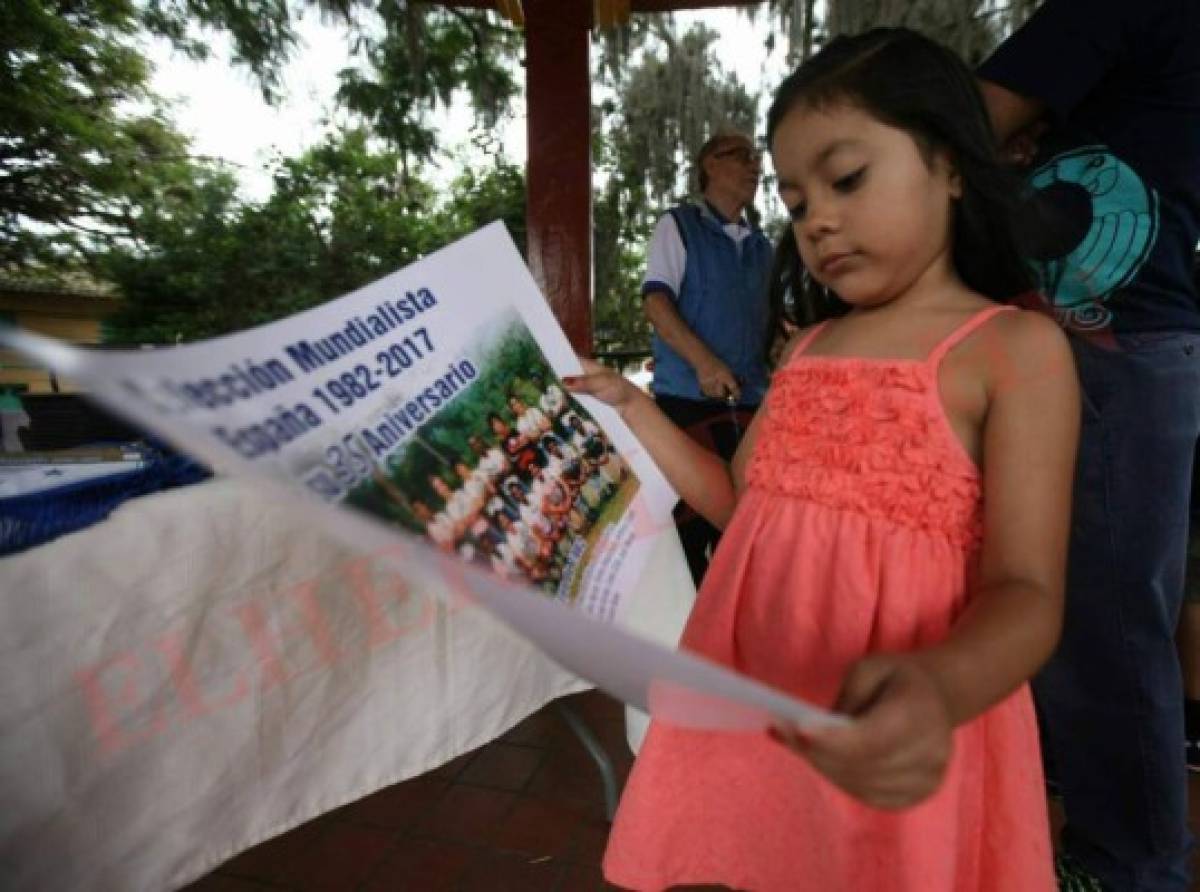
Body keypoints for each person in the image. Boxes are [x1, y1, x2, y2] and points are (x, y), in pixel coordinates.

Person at [565, 28, 1079, 891]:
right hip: (766, 713)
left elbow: (1028, 595)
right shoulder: (803, 353)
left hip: (901, 731)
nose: (819, 221)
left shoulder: (1013, 351)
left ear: (951, 166)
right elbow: (744, 506)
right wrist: (637, 408)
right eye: (798, 204)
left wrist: (941, 689)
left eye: (847, 180)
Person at [977, 3, 1200, 887]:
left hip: (1115, 345)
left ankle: (1130, 869)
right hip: (1111, 344)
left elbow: (959, 120)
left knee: (1102, 625)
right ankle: (1094, 839)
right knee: (1093, 617)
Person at [642, 128, 774, 586]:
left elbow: (771, 323)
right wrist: (704, 362)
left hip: (753, 406)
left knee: (750, 530)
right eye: (741, 156)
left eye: (757, 158)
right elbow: (656, 304)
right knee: (688, 535)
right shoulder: (677, 227)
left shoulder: (763, 246)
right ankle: (687, 641)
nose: (754, 166)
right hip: (687, 405)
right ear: (710, 166)